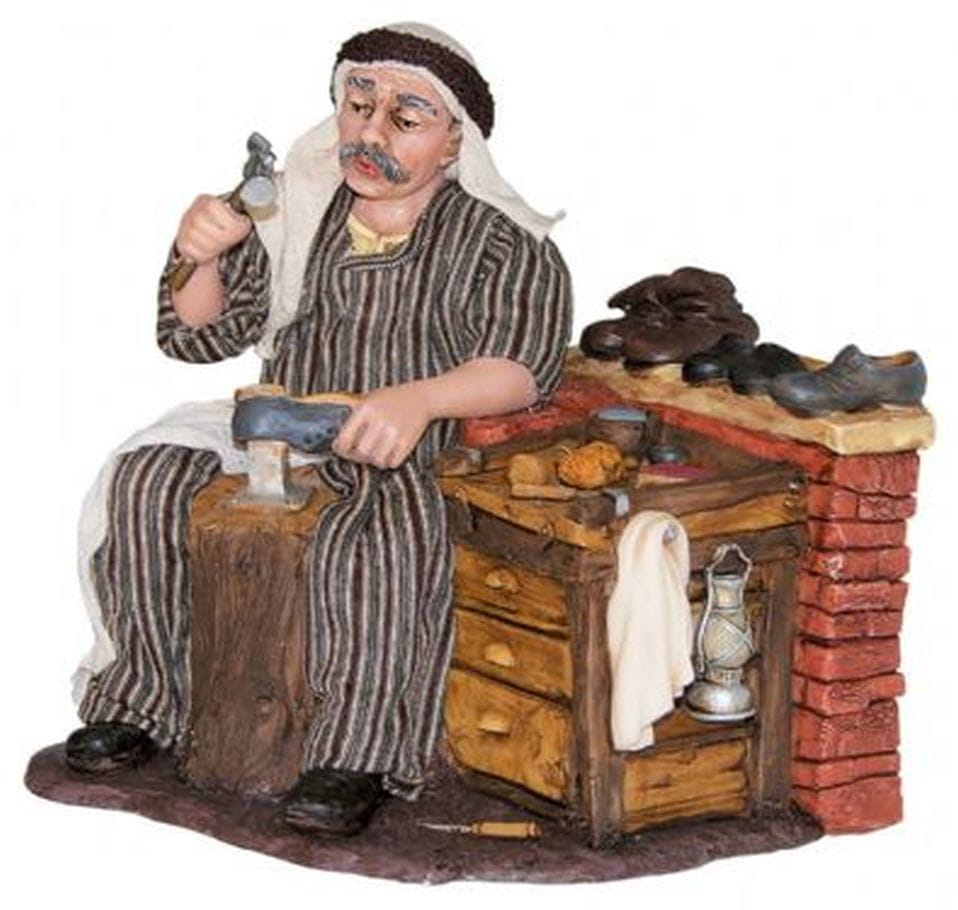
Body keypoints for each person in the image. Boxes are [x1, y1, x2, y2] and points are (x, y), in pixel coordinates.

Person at [64, 22, 572, 836]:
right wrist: (202, 255)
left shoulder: (499, 241)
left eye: (405, 118)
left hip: (396, 441)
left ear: (453, 142)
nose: (372, 133)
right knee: (147, 480)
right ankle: (142, 703)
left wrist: (418, 401)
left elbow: (522, 366)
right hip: (279, 422)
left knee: (377, 536)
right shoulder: (297, 213)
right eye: (358, 106)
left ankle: (355, 753)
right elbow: (202, 337)